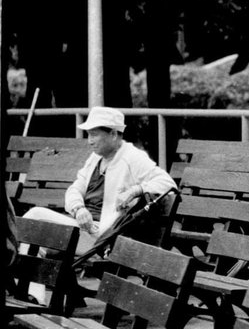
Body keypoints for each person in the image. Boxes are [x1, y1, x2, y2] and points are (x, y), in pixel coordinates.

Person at [22, 106, 176, 256]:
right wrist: (78, 208)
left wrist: (136, 190)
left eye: (94, 135)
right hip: (82, 228)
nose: (89, 141)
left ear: (114, 134)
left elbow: (168, 184)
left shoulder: (133, 157)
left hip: (102, 238)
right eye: (88, 135)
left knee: (34, 218)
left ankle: (24, 279)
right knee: (31, 236)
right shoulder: (96, 158)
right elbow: (75, 188)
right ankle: (29, 281)